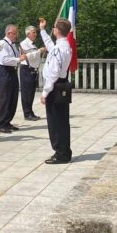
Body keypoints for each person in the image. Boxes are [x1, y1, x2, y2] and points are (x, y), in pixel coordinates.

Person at [39, 17, 73, 164]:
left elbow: (53, 72)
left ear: (57, 30)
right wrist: (42, 30)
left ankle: (61, 153)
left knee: (56, 121)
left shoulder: (60, 48)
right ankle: (64, 151)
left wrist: (45, 92)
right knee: (62, 120)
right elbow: (50, 46)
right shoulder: (64, 46)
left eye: (54, 27)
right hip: (62, 84)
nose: (53, 29)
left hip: (55, 87)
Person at [0, 24, 28, 133]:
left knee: (13, 98)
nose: (16, 35)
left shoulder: (12, 44)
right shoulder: (2, 43)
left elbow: (16, 56)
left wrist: (21, 55)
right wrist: (19, 59)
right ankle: (0, 124)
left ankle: (7, 121)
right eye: (15, 33)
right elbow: (4, 60)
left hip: (12, 71)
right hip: (4, 71)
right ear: (9, 33)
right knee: (5, 98)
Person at [20, 26, 45, 121]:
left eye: (35, 32)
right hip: (27, 69)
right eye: (33, 32)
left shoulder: (33, 44)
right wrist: (39, 51)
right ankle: (27, 113)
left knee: (31, 93)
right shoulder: (24, 43)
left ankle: (30, 111)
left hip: (33, 70)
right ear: (28, 34)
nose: (35, 34)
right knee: (26, 93)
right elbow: (26, 56)